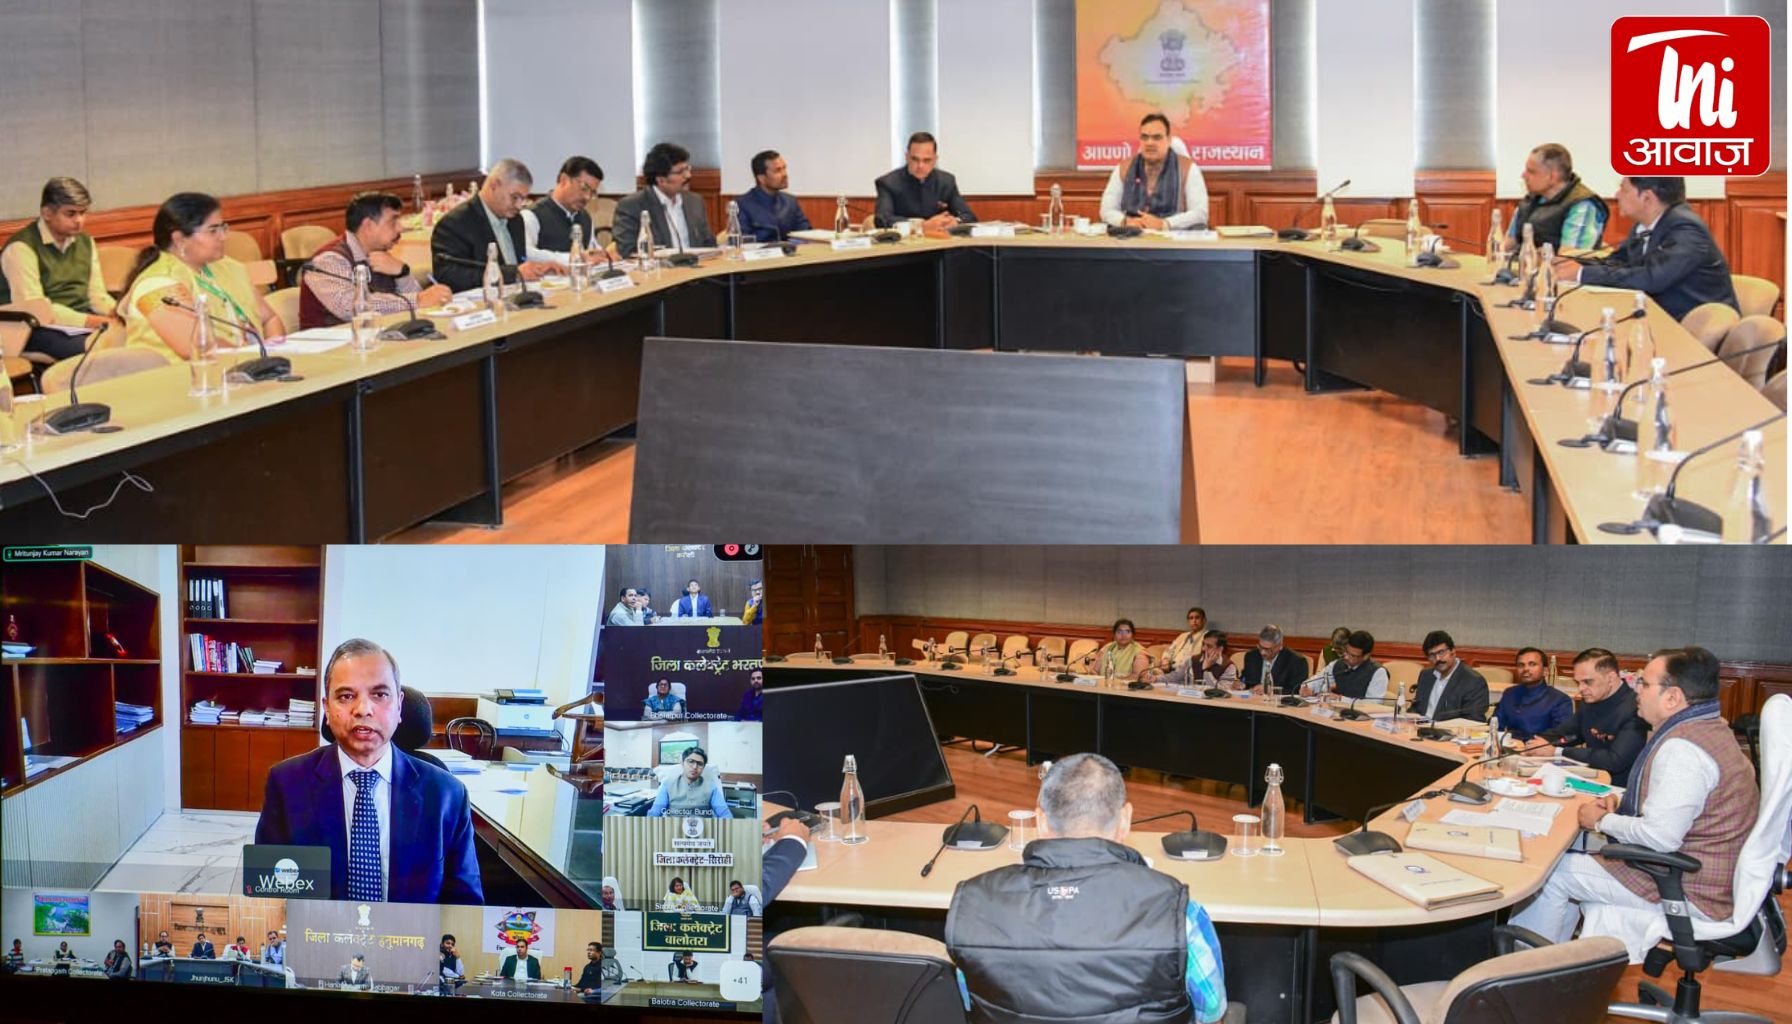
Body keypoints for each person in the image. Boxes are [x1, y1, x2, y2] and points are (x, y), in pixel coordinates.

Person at [1511, 647, 1760, 961]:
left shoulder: (1683, 749)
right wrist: (1621, 804)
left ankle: (1523, 970)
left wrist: (1600, 821)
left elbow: (1660, 837)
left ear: (1672, 698)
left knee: (1549, 874)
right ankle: (1557, 968)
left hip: (1690, 886)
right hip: (1709, 875)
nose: (1636, 691)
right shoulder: (1709, 729)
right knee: (1571, 859)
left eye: (1644, 684)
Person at [946, 753, 1228, 1023]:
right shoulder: (1179, 913)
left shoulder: (973, 907)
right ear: (1125, 820)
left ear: (1040, 821)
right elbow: (1211, 1012)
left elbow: (971, 1004)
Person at [254, 638, 485, 904]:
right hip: (319, 931)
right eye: (346, 696)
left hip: (413, 932)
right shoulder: (287, 785)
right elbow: (271, 898)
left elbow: (465, 908)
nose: (363, 709)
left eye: (380, 695)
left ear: (399, 705)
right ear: (327, 708)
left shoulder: (447, 795)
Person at [118, 192, 286, 360]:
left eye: (223, 228)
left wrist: (274, 355)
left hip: (246, 365)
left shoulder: (228, 267)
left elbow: (270, 319)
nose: (223, 237)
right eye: (213, 231)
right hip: (181, 373)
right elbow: (197, 346)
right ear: (179, 239)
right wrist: (255, 357)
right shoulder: (157, 283)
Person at [1554, 176, 1738, 320]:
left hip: (1692, 328)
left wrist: (1581, 274)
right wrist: (1572, 264)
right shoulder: (1647, 225)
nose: (1617, 195)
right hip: (1659, 319)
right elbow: (1618, 261)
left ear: (1647, 197)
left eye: (1624, 189)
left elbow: (1652, 278)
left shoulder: (1686, 229)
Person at [0, 177, 117, 360]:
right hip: (32, 328)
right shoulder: (21, 248)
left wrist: (118, 314)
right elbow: (35, 310)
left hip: (79, 320)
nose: (79, 220)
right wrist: (93, 322)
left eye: (83, 213)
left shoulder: (85, 242)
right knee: (97, 351)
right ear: (47, 213)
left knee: (128, 337)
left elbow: (96, 295)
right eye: (70, 214)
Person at [298, 191, 449, 329]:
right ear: (368, 225)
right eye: (393, 221)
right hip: (332, 346)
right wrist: (415, 300)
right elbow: (351, 308)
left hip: (378, 338)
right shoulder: (328, 260)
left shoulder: (379, 254)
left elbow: (422, 305)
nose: (400, 228)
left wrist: (402, 273)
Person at [429, 157, 557, 293]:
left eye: (523, 199)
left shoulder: (516, 221)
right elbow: (448, 276)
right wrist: (512, 274)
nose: (519, 206)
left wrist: (537, 268)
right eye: (514, 197)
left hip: (519, 296)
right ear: (494, 186)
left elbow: (519, 264)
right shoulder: (455, 223)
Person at [1540, 648, 1651, 780]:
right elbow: (1567, 734)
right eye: (1578, 683)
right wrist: (1534, 743)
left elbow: (1615, 760)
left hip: (1619, 787)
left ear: (1611, 678)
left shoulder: (1637, 709)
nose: (1581, 689)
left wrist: (1558, 752)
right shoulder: (1591, 700)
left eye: (1587, 682)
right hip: (1591, 779)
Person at [1099, 113, 1210, 230]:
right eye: (1145, 137)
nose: (1149, 143)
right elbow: (1106, 210)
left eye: (1157, 137)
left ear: (1168, 140)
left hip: (1172, 237)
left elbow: (1200, 213)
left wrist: (1165, 224)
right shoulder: (1124, 168)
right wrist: (1125, 221)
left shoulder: (1187, 169)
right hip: (1132, 236)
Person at [612, 142, 717, 254]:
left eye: (687, 169)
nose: (688, 176)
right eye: (680, 172)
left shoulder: (695, 201)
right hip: (659, 265)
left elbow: (709, 243)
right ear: (661, 180)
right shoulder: (631, 206)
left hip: (698, 265)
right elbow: (628, 251)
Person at [1507, 144, 1608, 253]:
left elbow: (1570, 258)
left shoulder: (1582, 205)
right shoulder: (1530, 200)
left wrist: (1536, 256)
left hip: (1552, 264)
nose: (1523, 176)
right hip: (1526, 263)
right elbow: (1507, 246)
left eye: (1531, 171)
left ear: (1552, 176)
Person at [874, 132, 976, 230]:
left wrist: (955, 221)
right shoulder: (888, 183)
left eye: (927, 160)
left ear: (935, 159)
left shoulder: (946, 181)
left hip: (939, 240)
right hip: (906, 240)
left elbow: (968, 216)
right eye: (915, 159)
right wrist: (921, 226)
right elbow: (882, 219)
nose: (920, 166)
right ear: (907, 157)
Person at [521, 156, 607, 264]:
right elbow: (525, 254)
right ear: (564, 180)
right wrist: (570, 258)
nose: (587, 197)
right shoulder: (531, 215)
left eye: (592, 192)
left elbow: (591, 252)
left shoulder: (585, 217)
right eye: (584, 188)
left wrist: (604, 256)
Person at [1411, 630, 1491, 723]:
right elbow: (1416, 709)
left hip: (1449, 731)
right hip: (1419, 729)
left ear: (1453, 651)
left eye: (1441, 652)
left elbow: (1474, 721)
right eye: (1432, 655)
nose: (1438, 659)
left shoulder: (1473, 681)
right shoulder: (1426, 675)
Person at [1495, 647, 1573, 740]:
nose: (1525, 669)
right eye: (1521, 665)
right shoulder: (1509, 693)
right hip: (1510, 745)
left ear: (1545, 671)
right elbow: (1495, 725)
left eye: (1532, 664)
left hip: (1541, 747)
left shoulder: (1560, 700)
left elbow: (1561, 735)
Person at [735, 151, 813, 243]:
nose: (784, 174)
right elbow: (742, 242)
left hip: (790, 251)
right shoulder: (743, 205)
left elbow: (806, 233)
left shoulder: (790, 202)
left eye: (784, 168)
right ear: (762, 178)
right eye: (778, 170)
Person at [648, 745, 732, 818]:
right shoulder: (668, 785)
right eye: (691, 761)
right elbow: (655, 813)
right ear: (682, 763)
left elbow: (725, 814)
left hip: (703, 829)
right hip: (674, 828)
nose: (695, 767)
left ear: (703, 767)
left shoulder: (711, 787)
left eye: (700, 764)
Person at [1302, 630, 1388, 700]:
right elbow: (1318, 679)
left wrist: (1341, 699)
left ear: (1366, 656)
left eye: (1353, 655)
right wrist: (1307, 687)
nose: (1346, 657)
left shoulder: (1378, 672)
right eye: (1346, 651)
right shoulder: (1336, 664)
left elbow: (1372, 704)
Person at [1148, 631, 1239, 690]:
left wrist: (1206, 670)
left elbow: (1221, 691)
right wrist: (1155, 678)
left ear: (1220, 649)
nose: (1203, 649)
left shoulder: (1229, 666)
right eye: (1203, 644)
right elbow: (1176, 676)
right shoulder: (1193, 660)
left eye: (1209, 646)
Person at [1241, 625, 1309, 695]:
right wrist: (1241, 684)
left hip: (1277, 700)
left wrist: (1272, 690)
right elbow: (1246, 680)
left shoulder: (1297, 661)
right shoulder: (1251, 656)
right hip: (1252, 699)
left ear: (1280, 646)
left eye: (1268, 649)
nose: (1262, 652)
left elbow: (1296, 690)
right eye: (1260, 647)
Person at [1159, 607, 1209, 672]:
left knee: (1155, 677)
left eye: (1197, 618)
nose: (1194, 621)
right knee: (1150, 672)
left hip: (1187, 671)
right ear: (1188, 622)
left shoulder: (1207, 636)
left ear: (1204, 620)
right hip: (1171, 669)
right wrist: (1166, 659)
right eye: (1191, 618)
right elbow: (1170, 650)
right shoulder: (1183, 636)